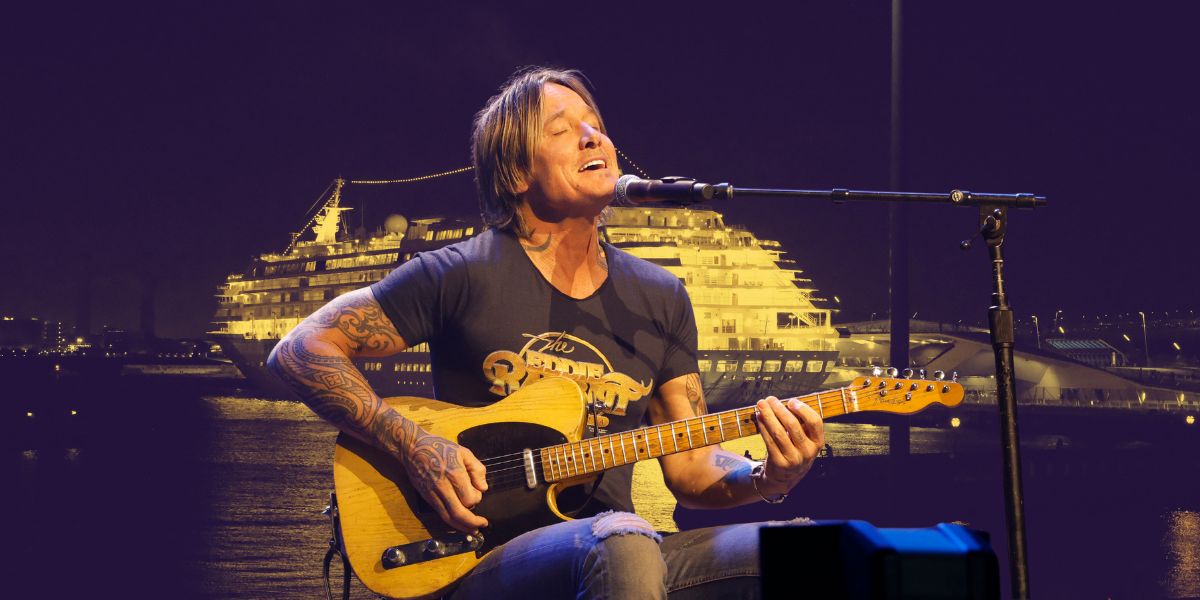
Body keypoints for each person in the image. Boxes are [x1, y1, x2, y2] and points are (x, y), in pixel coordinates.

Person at [267, 66, 825, 599]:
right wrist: (414, 445)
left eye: (596, 126)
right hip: (475, 556)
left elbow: (692, 469)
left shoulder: (661, 297)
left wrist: (770, 476)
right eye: (562, 130)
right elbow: (299, 350)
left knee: (813, 549)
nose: (592, 138)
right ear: (515, 172)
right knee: (623, 540)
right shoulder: (460, 273)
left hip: (621, 555)